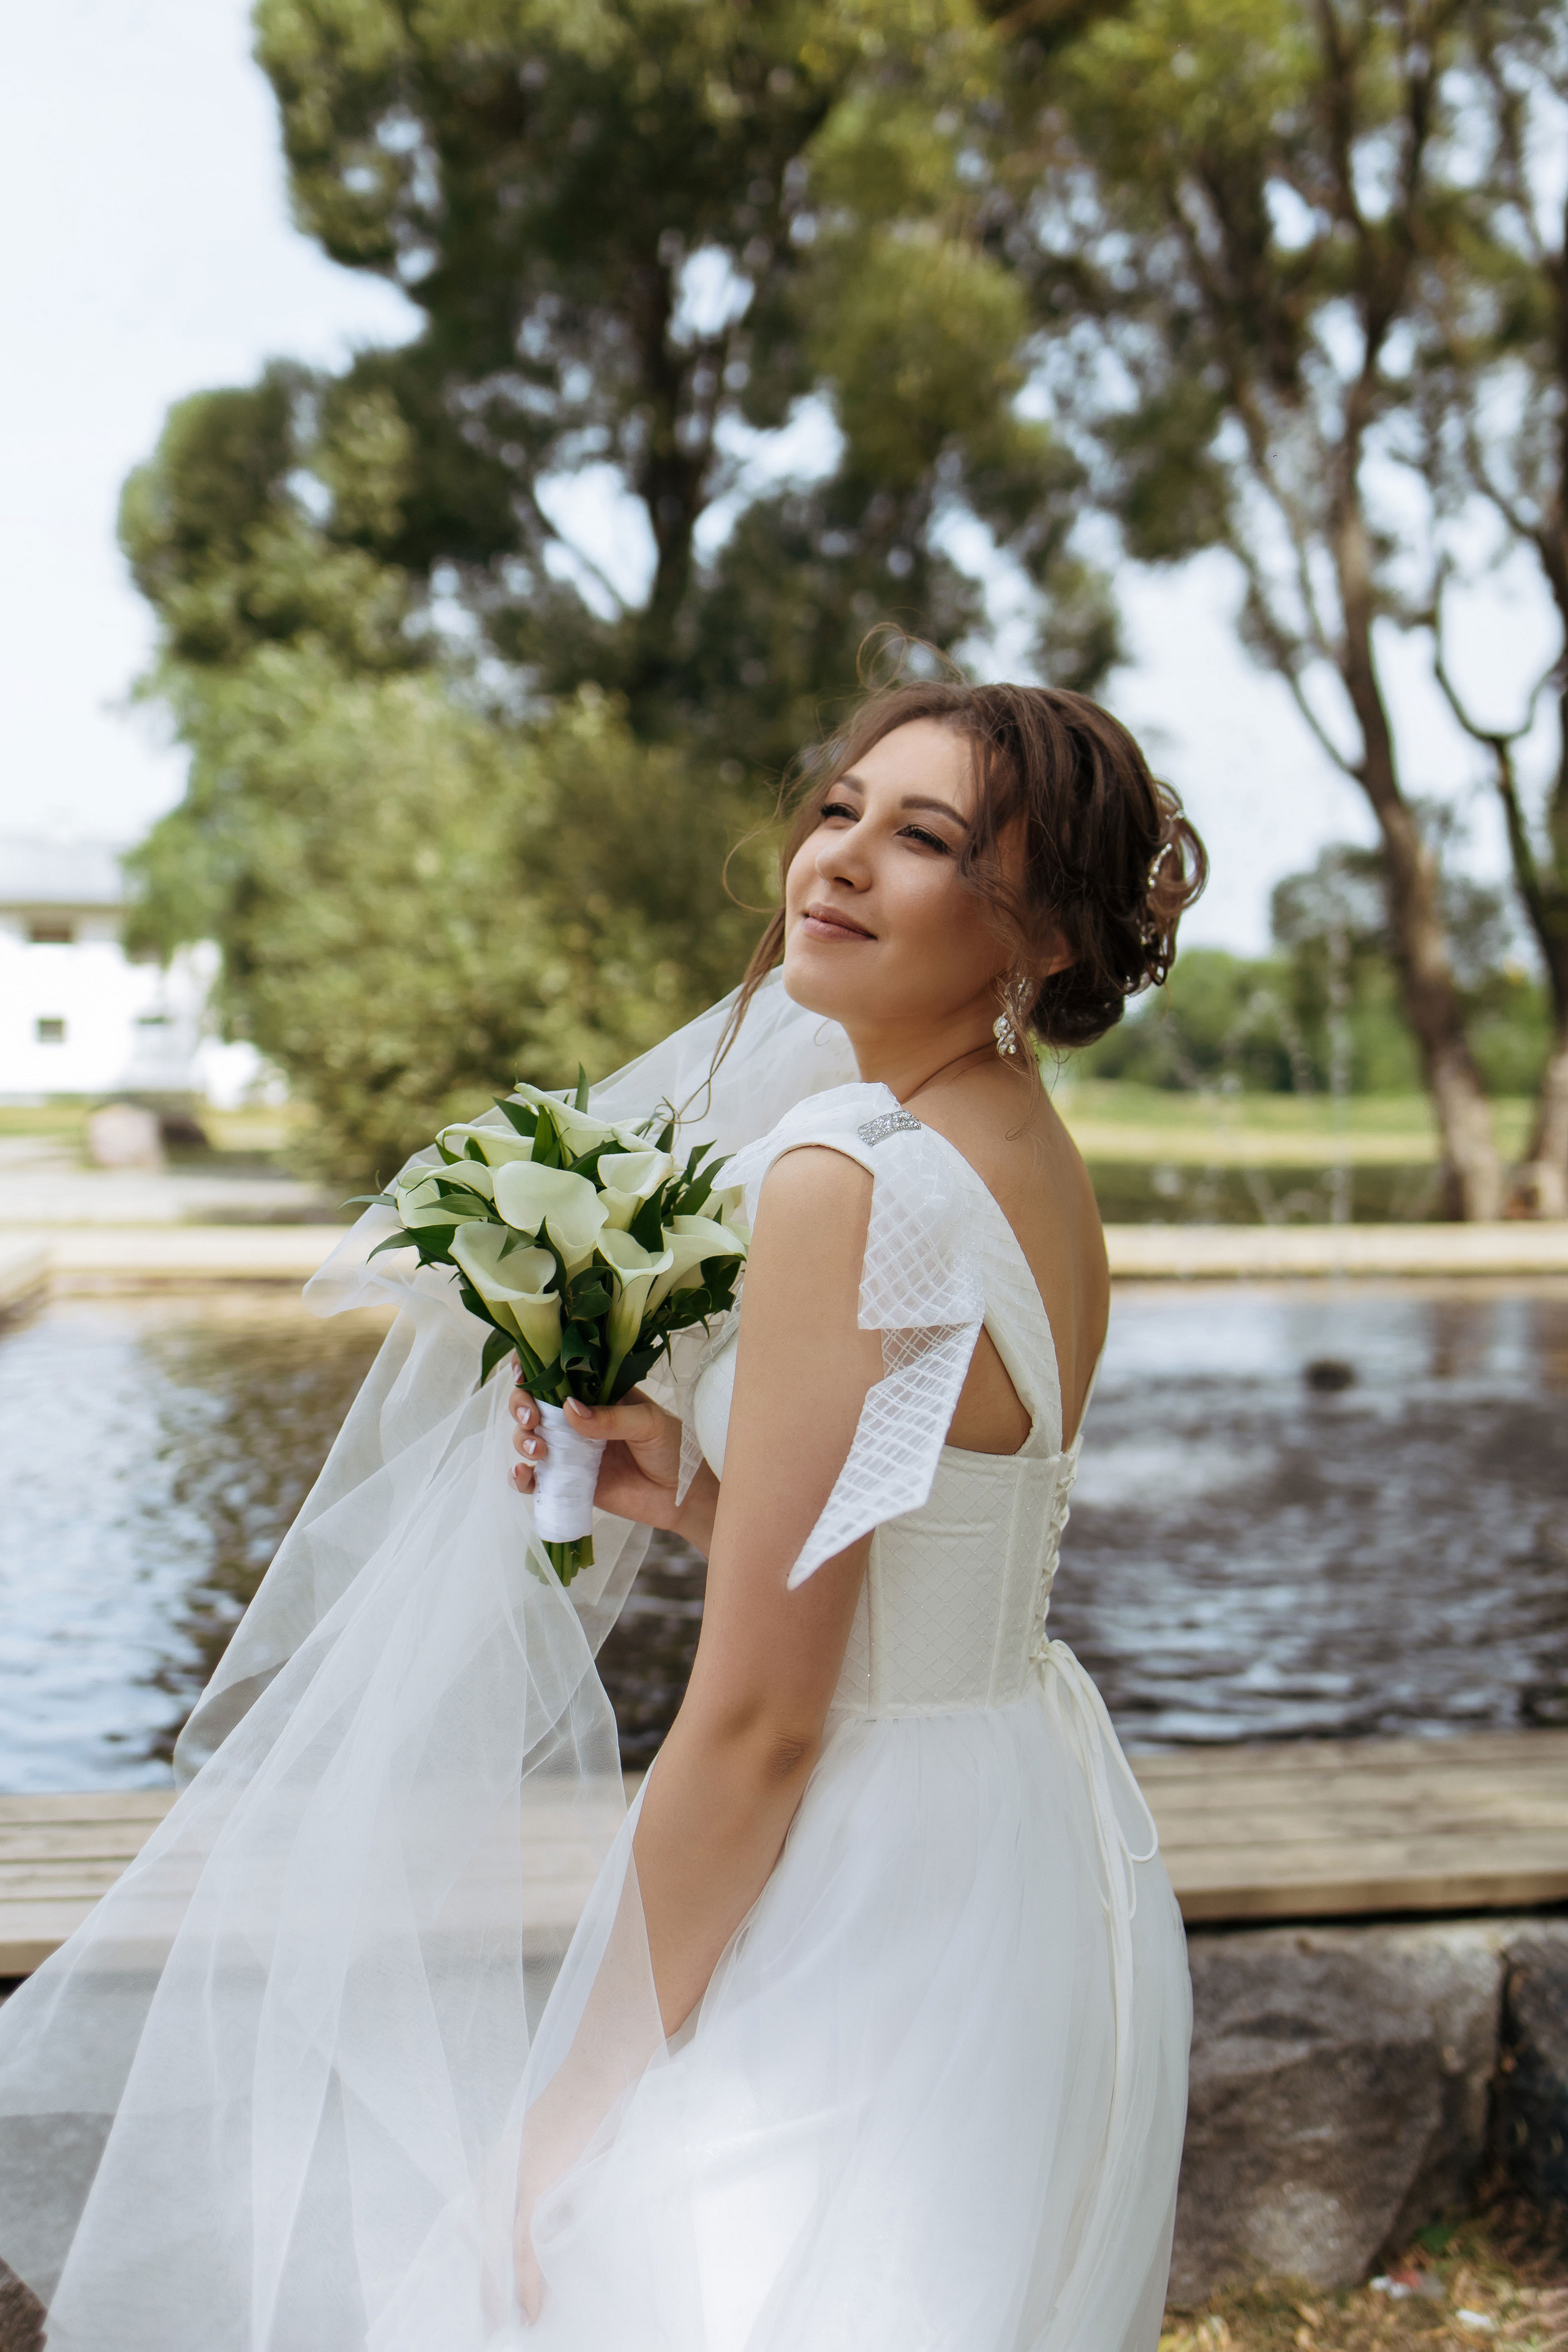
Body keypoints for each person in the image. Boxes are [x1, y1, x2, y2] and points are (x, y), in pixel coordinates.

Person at [0, 678, 1203, 2352]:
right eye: (840, 809)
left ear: (1048, 939)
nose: (837, 860)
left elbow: (766, 1724)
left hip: (868, 1865)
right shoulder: (1026, 1160)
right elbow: (944, 1554)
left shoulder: (845, 1172)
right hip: (1019, 1812)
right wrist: (701, 1497)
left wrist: (572, 2110)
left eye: (922, 838)